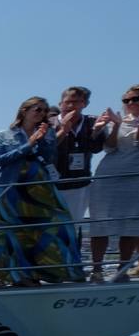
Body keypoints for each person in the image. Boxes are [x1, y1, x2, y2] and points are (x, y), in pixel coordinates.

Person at [0, 96, 83, 287]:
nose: (41, 114)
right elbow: (0, 160)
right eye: (37, 109)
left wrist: (47, 139)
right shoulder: (5, 134)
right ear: (25, 110)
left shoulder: (46, 133)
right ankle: (9, 274)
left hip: (38, 186)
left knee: (54, 223)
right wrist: (28, 144)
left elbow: (49, 158)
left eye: (44, 111)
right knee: (10, 231)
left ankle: (49, 271)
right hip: (12, 186)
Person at [88, 85, 139, 282]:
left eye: (136, 99)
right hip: (109, 176)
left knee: (132, 225)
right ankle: (97, 269)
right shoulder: (116, 120)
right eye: (127, 100)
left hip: (135, 177)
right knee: (100, 224)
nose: (131, 103)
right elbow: (108, 147)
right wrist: (116, 125)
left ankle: (122, 268)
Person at [55, 86, 104, 230]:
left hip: (80, 184)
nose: (70, 106)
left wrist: (96, 132)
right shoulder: (49, 123)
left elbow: (96, 149)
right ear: (60, 104)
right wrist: (63, 130)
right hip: (53, 183)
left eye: (76, 102)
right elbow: (47, 150)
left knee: (73, 227)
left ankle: (72, 252)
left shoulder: (91, 122)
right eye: (67, 102)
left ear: (84, 104)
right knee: (53, 227)